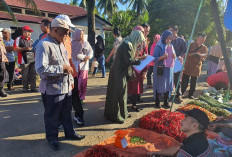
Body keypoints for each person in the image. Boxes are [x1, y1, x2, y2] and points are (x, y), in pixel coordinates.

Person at [35, 18, 85, 150]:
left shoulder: (61, 43)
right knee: (52, 115)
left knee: (67, 113)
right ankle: (52, 138)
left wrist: (71, 81)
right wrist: (61, 69)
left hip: (66, 87)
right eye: (66, 33)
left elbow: (67, 63)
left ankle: (70, 133)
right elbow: (40, 69)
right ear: (55, 30)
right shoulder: (44, 45)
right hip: (52, 89)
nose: (67, 36)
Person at [104, 30, 146, 124]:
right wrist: (140, 60)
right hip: (118, 72)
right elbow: (128, 61)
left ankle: (124, 113)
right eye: (139, 40)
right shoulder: (127, 44)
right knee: (118, 94)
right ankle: (115, 115)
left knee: (122, 93)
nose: (139, 43)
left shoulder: (127, 41)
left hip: (119, 71)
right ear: (136, 38)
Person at [55, 14, 84, 126]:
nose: (68, 31)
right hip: (58, 75)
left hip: (72, 72)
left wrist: (73, 72)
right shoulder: (48, 41)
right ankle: (60, 120)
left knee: (75, 95)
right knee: (60, 99)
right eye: (66, 28)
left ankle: (79, 115)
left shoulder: (67, 39)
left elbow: (70, 56)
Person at [153, 30, 176, 108]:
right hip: (160, 69)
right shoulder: (158, 46)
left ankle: (166, 102)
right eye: (167, 38)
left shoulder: (171, 46)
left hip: (169, 70)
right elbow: (154, 58)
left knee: (168, 85)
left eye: (170, 39)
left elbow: (174, 55)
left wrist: (174, 55)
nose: (168, 40)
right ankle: (157, 102)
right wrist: (163, 57)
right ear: (163, 37)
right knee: (159, 85)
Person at [182, 33, 208, 99]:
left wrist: (200, 56)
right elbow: (186, 54)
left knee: (193, 82)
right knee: (185, 81)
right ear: (196, 38)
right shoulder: (191, 45)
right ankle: (181, 93)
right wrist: (194, 53)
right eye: (200, 39)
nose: (201, 41)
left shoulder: (204, 48)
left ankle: (190, 94)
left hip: (197, 66)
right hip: (188, 65)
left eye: (203, 40)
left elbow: (204, 57)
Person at [72, 28, 93, 103]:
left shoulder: (86, 43)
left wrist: (89, 57)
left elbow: (90, 51)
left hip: (84, 66)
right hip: (75, 65)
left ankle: (82, 97)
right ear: (76, 35)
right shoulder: (72, 44)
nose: (82, 36)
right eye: (80, 34)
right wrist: (83, 57)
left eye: (82, 34)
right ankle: (76, 96)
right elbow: (74, 55)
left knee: (83, 82)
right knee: (77, 82)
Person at [14, 26, 37, 92]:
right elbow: (15, 48)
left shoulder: (31, 40)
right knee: (25, 75)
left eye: (30, 32)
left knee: (33, 74)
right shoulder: (18, 39)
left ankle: (33, 87)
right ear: (23, 31)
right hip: (23, 59)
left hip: (32, 59)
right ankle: (25, 88)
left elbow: (33, 50)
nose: (29, 33)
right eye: (28, 31)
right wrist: (25, 49)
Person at [169, 25, 187, 103]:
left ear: (176, 31)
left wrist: (181, 56)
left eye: (171, 30)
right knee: (169, 77)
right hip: (169, 62)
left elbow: (185, 50)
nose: (170, 32)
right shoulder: (168, 39)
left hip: (178, 62)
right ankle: (167, 94)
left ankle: (178, 95)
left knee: (177, 79)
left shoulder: (181, 40)